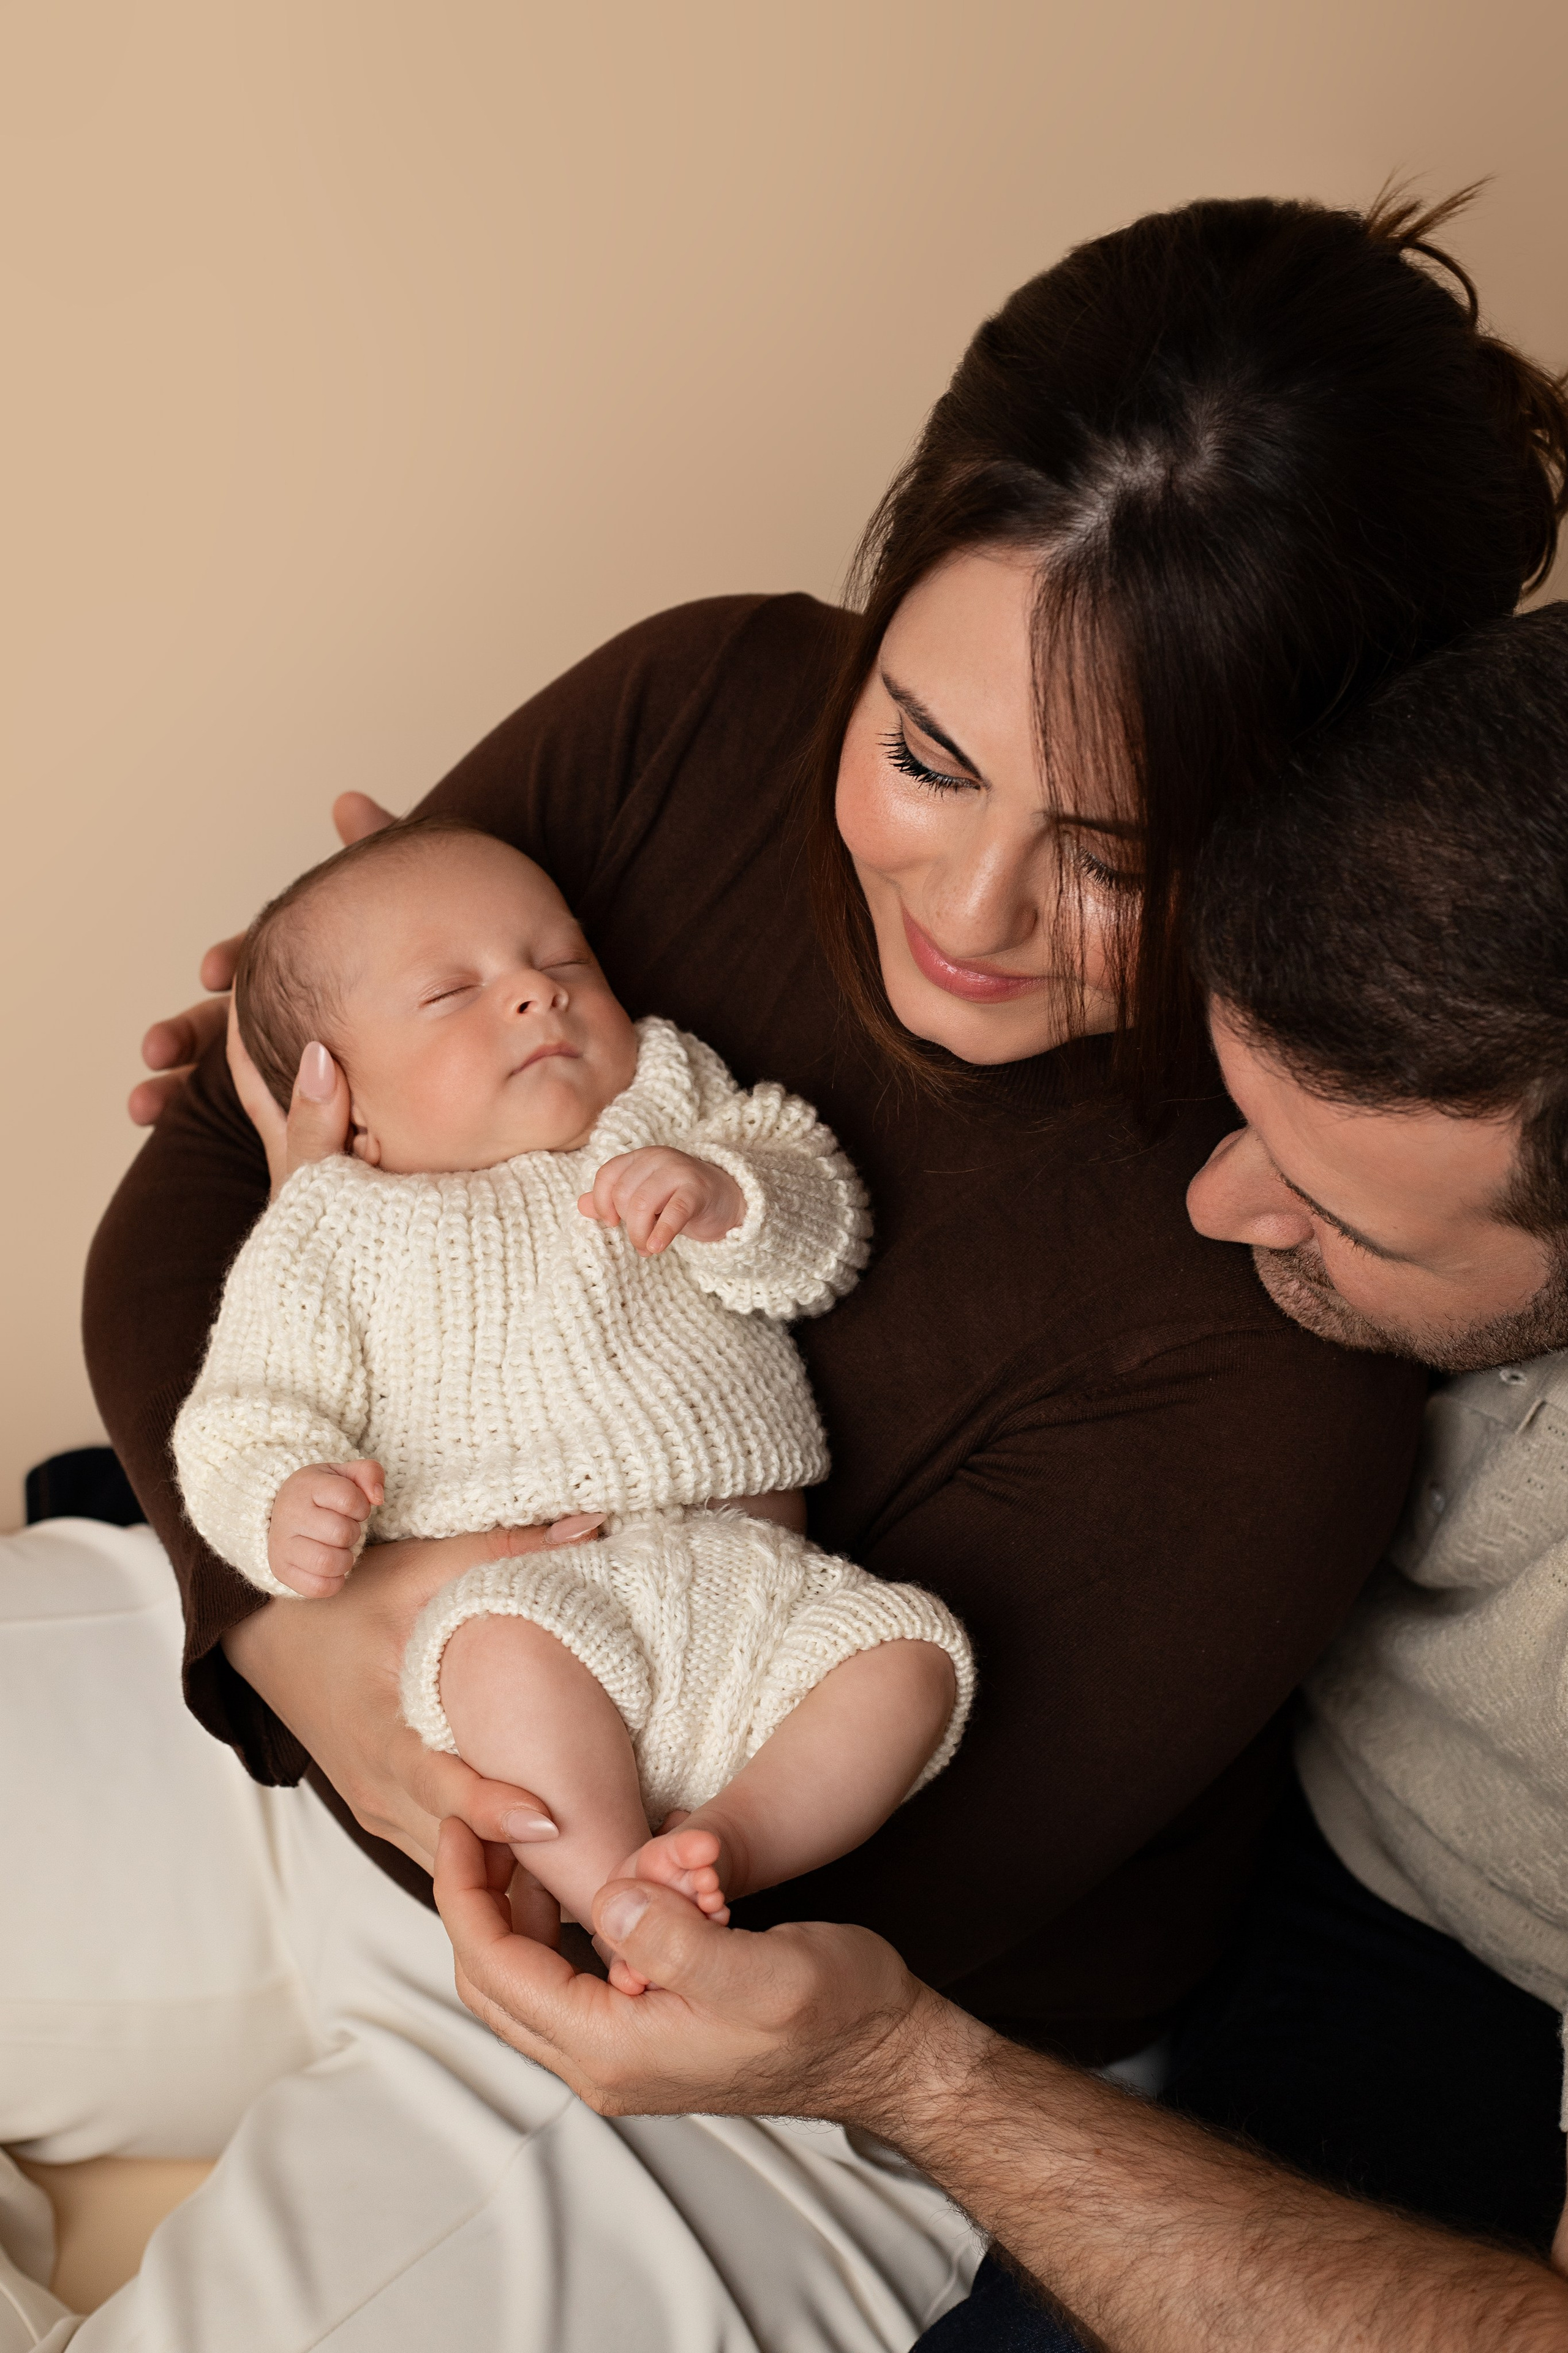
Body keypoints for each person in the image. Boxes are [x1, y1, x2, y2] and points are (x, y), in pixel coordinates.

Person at [11, 189, 1554, 2344]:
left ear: (1315, 823)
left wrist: (403, 1656)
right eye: (926, 752)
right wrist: (289, 1634)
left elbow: (880, 1824)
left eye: (1119, 855)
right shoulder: (705, 706)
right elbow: (206, 1177)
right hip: (276, 1663)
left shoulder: (1287, 1279)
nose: (974, 909)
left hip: (739, 2032)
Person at [431, 602, 1568, 2353]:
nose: (1220, 1205)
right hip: (1289, 1832)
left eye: (1335, 1211)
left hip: (1459, 1993)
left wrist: (909, 2069)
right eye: (1246, 1110)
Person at [174, 818, 970, 1943]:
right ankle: (618, 1906)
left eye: (563, 961)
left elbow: (825, 1221)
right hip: (537, 1600)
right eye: (452, 992)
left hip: (757, 1590)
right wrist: (279, 1503)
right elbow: (241, 1415)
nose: (537, 993)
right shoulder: (333, 1225)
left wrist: (729, 1193)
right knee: (495, 1660)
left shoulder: (666, 1097)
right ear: (346, 1107)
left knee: (916, 1656)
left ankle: (728, 1842)